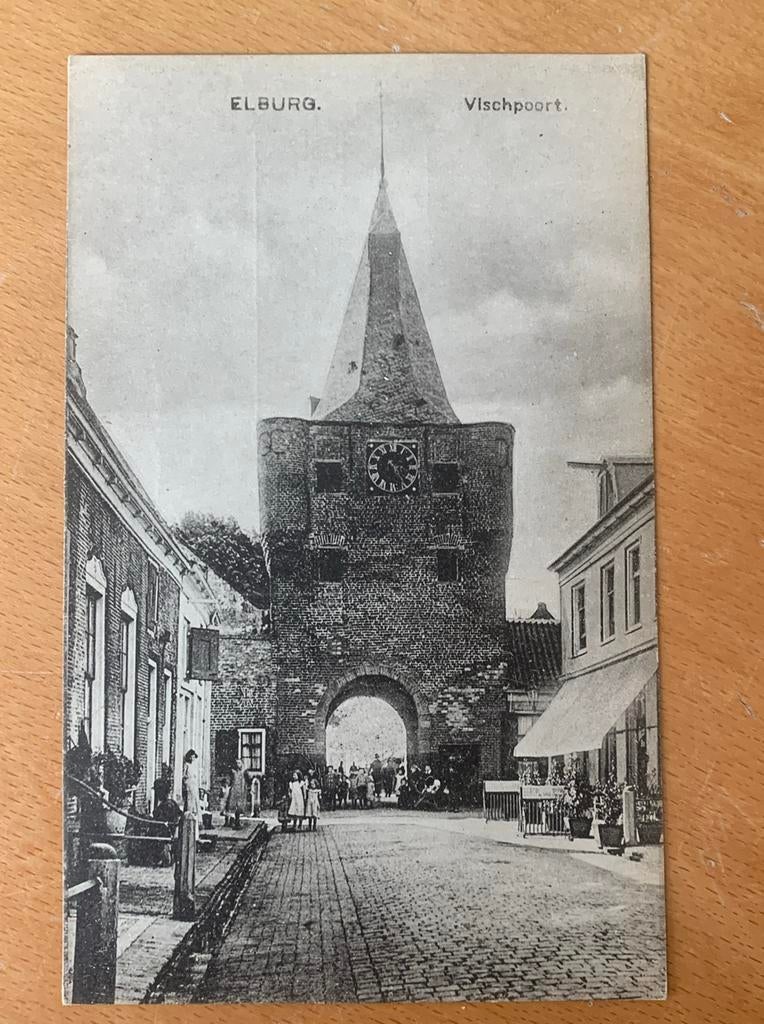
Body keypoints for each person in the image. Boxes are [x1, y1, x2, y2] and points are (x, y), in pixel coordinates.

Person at [226, 759, 248, 829]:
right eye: (237, 763)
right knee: (232, 806)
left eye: (239, 763)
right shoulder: (233, 772)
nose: (238, 764)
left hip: (241, 791)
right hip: (234, 791)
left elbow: (247, 781)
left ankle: (237, 821)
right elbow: (230, 781)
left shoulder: (244, 772)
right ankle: (232, 821)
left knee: (239, 806)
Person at [182, 749, 200, 816]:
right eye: (192, 757)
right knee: (190, 797)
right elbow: (184, 775)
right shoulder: (186, 765)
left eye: (194, 757)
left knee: (195, 798)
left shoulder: (194, 765)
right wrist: (187, 778)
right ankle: (189, 812)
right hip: (189, 782)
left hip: (194, 783)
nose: (193, 759)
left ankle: (195, 812)